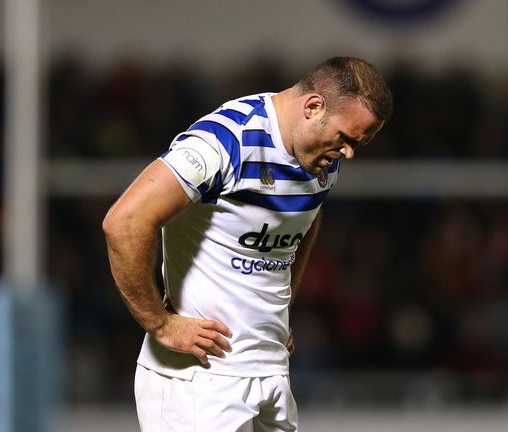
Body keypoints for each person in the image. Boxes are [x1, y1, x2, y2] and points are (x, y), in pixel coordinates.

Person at [103, 56, 393, 431]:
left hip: (270, 370)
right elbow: (124, 222)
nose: (349, 153)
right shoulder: (225, 140)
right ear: (313, 107)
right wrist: (159, 324)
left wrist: (282, 306)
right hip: (199, 381)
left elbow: (307, 216)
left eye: (359, 143)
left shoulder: (320, 154)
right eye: (347, 138)